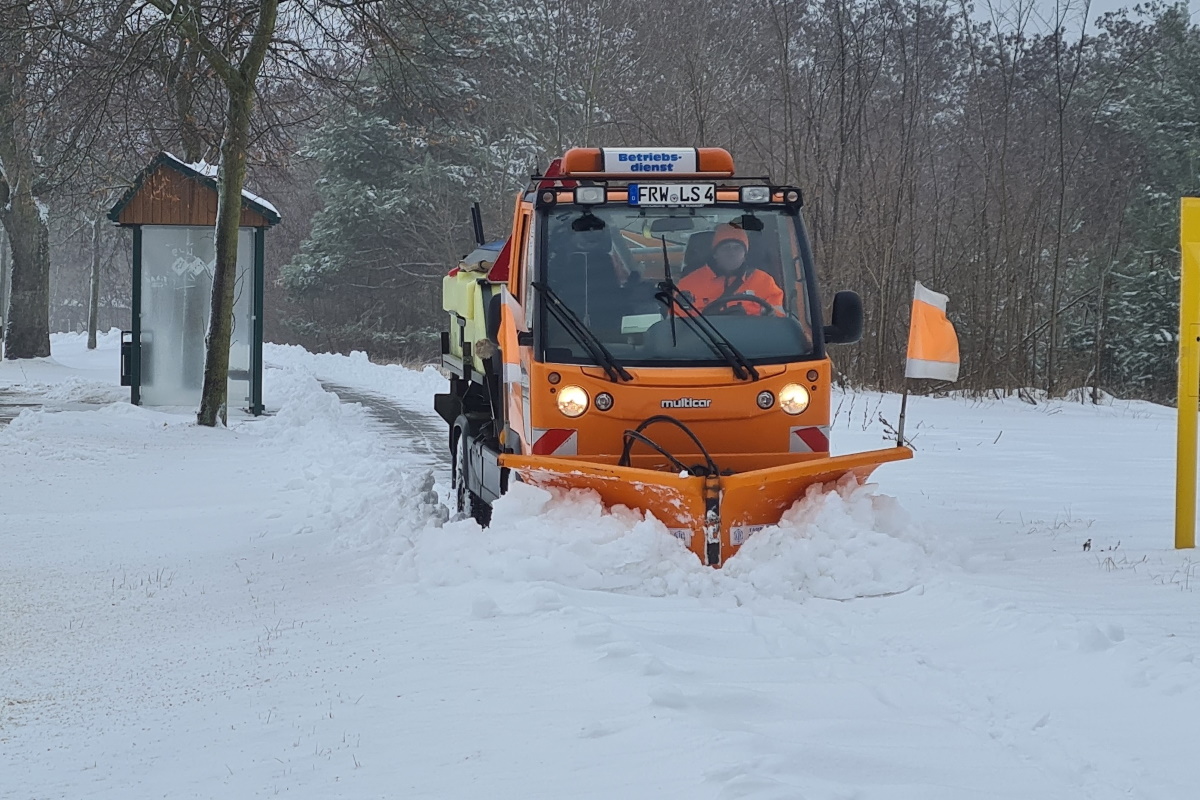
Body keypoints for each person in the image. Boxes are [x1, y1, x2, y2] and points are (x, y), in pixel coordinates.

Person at [676, 223, 783, 314]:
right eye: (726, 248)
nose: (732, 253)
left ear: (745, 254)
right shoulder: (687, 285)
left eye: (737, 248)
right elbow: (676, 327)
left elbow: (777, 324)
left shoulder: (765, 282)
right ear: (715, 254)